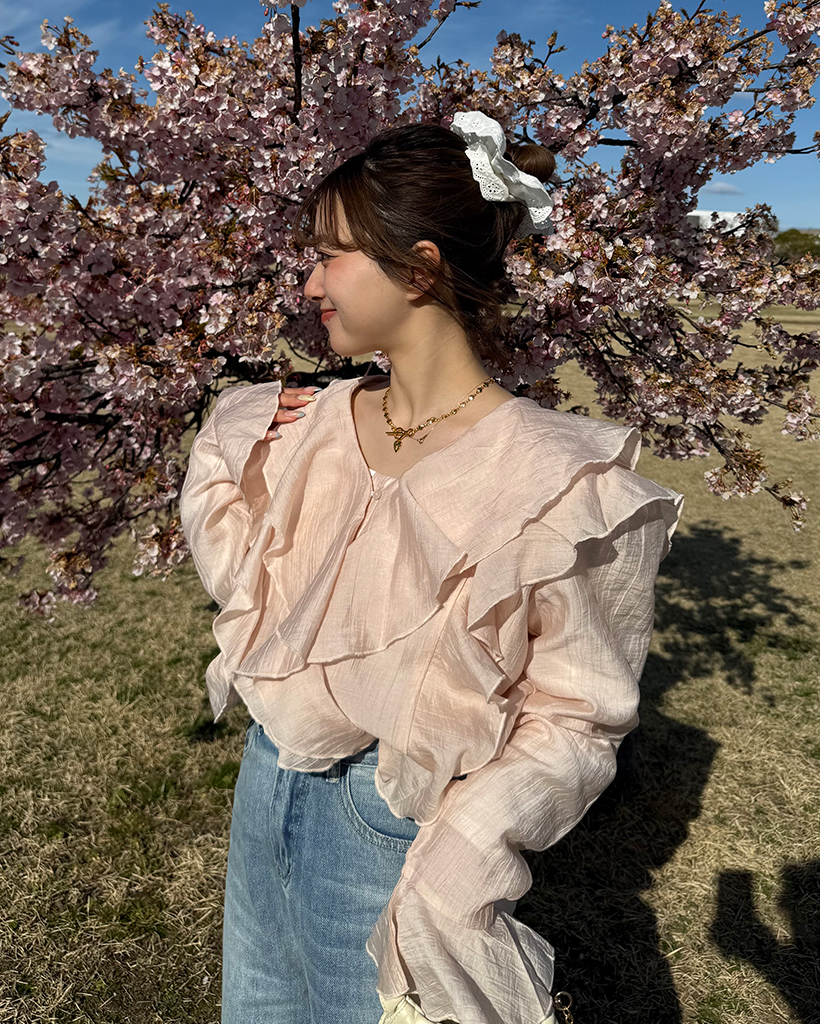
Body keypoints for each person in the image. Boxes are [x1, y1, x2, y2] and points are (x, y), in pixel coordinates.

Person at [179, 110, 684, 1024]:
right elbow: (246, 576)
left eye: (331, 256)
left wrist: (462, 863)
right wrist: (244, 435)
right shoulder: (308, 428)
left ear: (418, 267)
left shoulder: (556, 479)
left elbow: (578, 714)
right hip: (267, 775)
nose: (309, 282)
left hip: (396, 824)